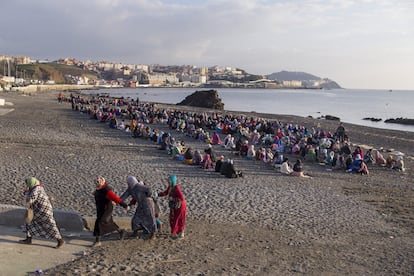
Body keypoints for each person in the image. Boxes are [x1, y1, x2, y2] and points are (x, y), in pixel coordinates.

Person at [19, 177, 65, 249]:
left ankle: (60, 240)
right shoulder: (37, 187)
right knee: (29, 223)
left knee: (50, 225)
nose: (27, 185)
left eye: (27, 183)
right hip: (37, 211)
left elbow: (31, 199)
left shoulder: (36, 189)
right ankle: (28, 239)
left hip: (43, 211)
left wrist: (25, 193)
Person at [93, 176, 128, 247]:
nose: (98, 182)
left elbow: (116, 198)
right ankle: (121, 231)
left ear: (103, 182)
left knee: (100, 222)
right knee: (108, 222)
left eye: (99, 181)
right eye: (97, 181)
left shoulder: (107, 190)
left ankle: (98, 241)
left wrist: (125, 205)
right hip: (100, 208)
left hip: (107, 209)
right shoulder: (98, 189)